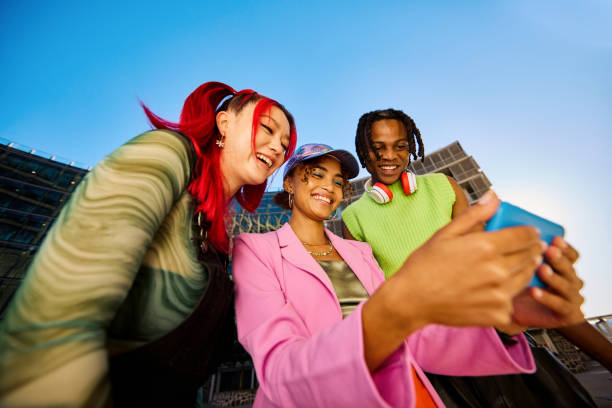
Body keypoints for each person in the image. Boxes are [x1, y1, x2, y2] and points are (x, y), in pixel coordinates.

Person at [0, 81, 297, 406]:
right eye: (266, 128)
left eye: (284, 145)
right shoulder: (167, 152)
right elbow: (61, 308)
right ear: (223, 123)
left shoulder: (219, 237)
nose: (276, 148)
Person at [231, 143, 585, 407]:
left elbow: (415, 339)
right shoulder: (255, 250)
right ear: (290, 183)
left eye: (339, 181)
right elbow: (278, 369)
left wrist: (503, 322)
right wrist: (397, 307)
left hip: (407, 394)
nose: (330, 186)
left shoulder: (360, 252)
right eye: (316, 174)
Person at [342, 108, 600, 406]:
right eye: (378, 148)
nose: (390, 155)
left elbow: (478, 255)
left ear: (410, 148)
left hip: (485, 328)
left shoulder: (443, 186)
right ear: (363, 151)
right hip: (428, 351)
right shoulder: (353, 217)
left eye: (400, 146)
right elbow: (370, 292)